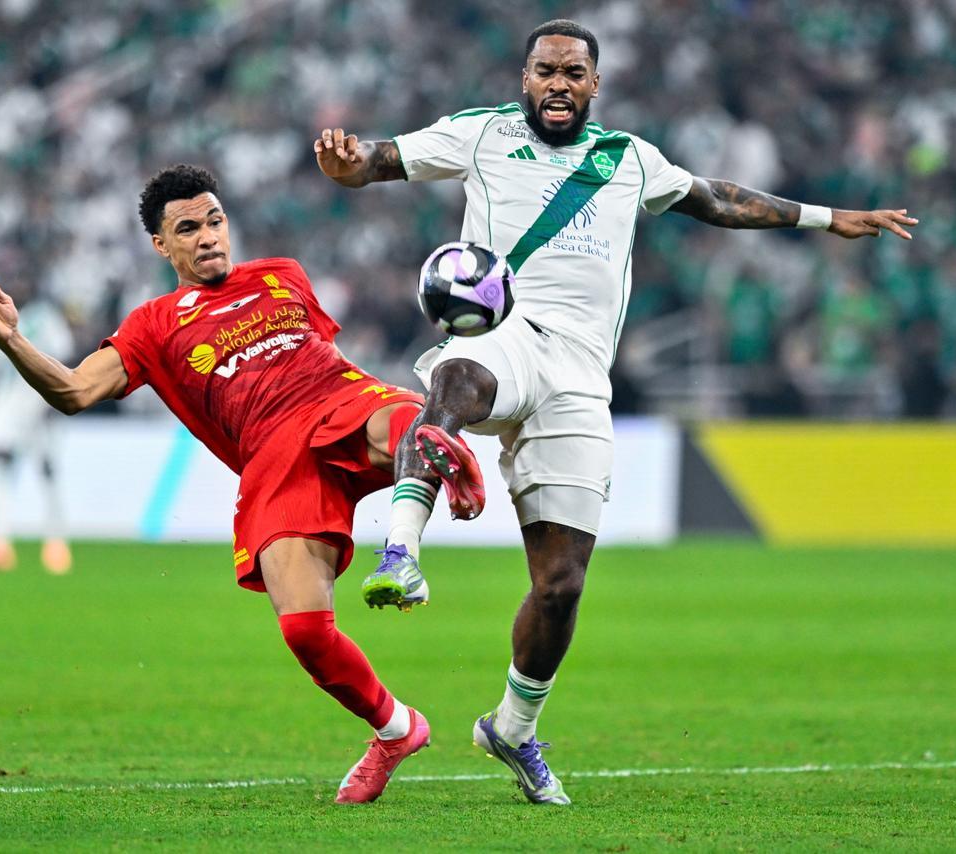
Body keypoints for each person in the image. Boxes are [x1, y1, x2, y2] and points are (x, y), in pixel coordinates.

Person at [315, 19, 917, 805]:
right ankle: (400, 550)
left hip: (581, 376)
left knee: (560, 585)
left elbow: (716, 199)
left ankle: (513, 729)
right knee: (458, 375)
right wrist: (350, 163)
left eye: (573, 72)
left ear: (594, 84)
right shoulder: (483, 133)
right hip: (505, 330)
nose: (558, 83)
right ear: (525, 78)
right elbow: (381, 159)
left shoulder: (630, 159)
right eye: (545, 70)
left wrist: (825, 217)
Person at [0, 163, 481, 805]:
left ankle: (419, 503)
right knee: (305, 632)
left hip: (338, 398)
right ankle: (396, 729)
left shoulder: (283, 274)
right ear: (161, 245)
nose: (208, 236)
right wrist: (12, 339)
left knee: (403, 421)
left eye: (215, 220)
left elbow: (325, 355)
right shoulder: (152, 325)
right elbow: (72, 391)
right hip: (275, 458)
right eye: (188, 229)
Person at [0, 292, 75, 575]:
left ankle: (56, 543)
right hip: (6, 405)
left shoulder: (46, 316)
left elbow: (65, 354)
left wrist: (57, 395)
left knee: (47, 470)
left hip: (40, 401)